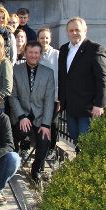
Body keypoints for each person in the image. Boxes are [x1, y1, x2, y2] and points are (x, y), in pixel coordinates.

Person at [58, 17, 106, 146]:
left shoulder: (95, 49)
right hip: (70, 106)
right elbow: (63, 77)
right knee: (75, 139)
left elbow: (103, 78)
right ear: (67, 32)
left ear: (85, 30)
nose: (74, 33)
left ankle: (84, 166)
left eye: (77, 30)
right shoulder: (64, 49)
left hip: (88, 108)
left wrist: (99, 104)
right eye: (71, 30)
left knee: (86, 143)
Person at [9, 41, 55, 182]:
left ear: (40, 55)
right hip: (20, 115)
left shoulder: (48, 73)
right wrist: (21, 116)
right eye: (30, 52)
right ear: (25, 53)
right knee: (14, 137)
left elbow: (49, 100)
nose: (33, 55)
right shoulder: (16, 70)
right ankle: (11, 165)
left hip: (40, 117)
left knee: (44, 139)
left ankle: (36, 170)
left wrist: (46, 124)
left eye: (36, 53)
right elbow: (12, 95)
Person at [37, 28, 60, 160]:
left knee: (53, 123)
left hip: (54, 96)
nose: (44, 40)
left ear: (50, 39)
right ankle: (41, 149)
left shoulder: (57, 54)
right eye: (41, 38)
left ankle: (51, 148)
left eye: (46, 38)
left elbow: (61, 76)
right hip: (38, 96)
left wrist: (59, 97)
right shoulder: (35, 53)